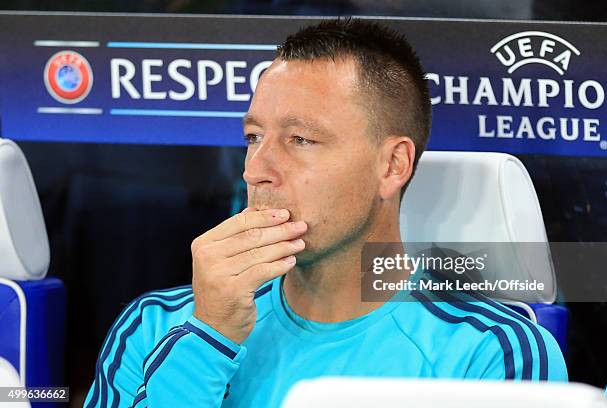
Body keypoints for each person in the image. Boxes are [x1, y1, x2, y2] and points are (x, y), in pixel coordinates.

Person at [84, 17, 567, 408]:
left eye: (301, 140)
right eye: (254, 137)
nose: (256, 170)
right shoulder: (154, 324)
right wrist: (208, 336)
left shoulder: (489, 353)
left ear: (392, 164)